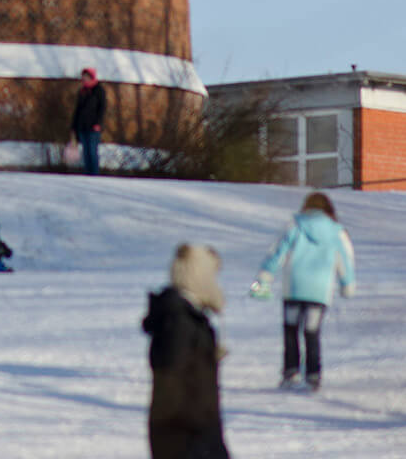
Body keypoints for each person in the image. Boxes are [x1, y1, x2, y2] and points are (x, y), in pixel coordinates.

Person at [250, 191, 355, 391]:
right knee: (311, 331)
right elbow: (345, 258)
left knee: (291, 329)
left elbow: (279, 251)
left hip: (294, 287)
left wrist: (265, 275)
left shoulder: (295, 225)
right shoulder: (336, 231)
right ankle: (313, 375)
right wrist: (346, 283)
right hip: (319, 289)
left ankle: (291, 372)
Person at [142, 243, 230, 459]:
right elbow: (171, 381)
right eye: (211, 275)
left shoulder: (187, 317)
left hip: (197, 432)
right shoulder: (180, 320)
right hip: (186, 437)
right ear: (199, 277)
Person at [71, 66, 106, 175]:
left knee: (92, 152)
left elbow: (102, 107)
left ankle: (95, 175)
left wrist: (98, 123)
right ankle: (87, 175)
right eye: (83, 77)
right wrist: (73, 126)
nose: (84, 79)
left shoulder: (99, 90)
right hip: (82, 126)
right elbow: (77, 109)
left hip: (93, 127)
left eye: (86, 77)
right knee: (85, 152)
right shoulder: (82, 91)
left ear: (91, 77)